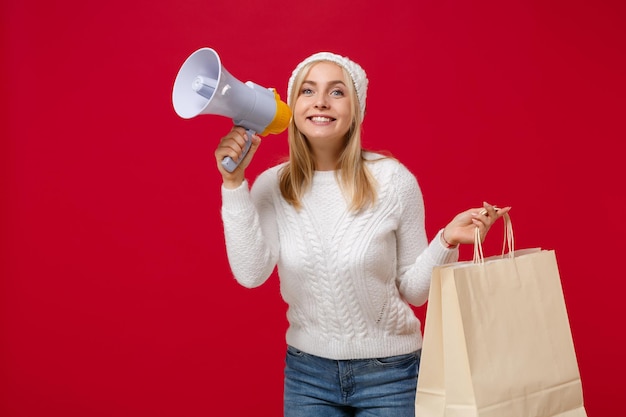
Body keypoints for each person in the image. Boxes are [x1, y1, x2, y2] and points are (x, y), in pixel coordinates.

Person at [214, 51, 510, 417]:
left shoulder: (393, 181)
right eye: (308, 90)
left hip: (392, 376)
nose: (321, 101)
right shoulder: (272, 187)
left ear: (356, 109)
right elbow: (250, 273)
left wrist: (446, 240)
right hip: (308, 376)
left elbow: (415, 293)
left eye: (336, 92)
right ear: (292, 107)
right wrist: (233, 184)